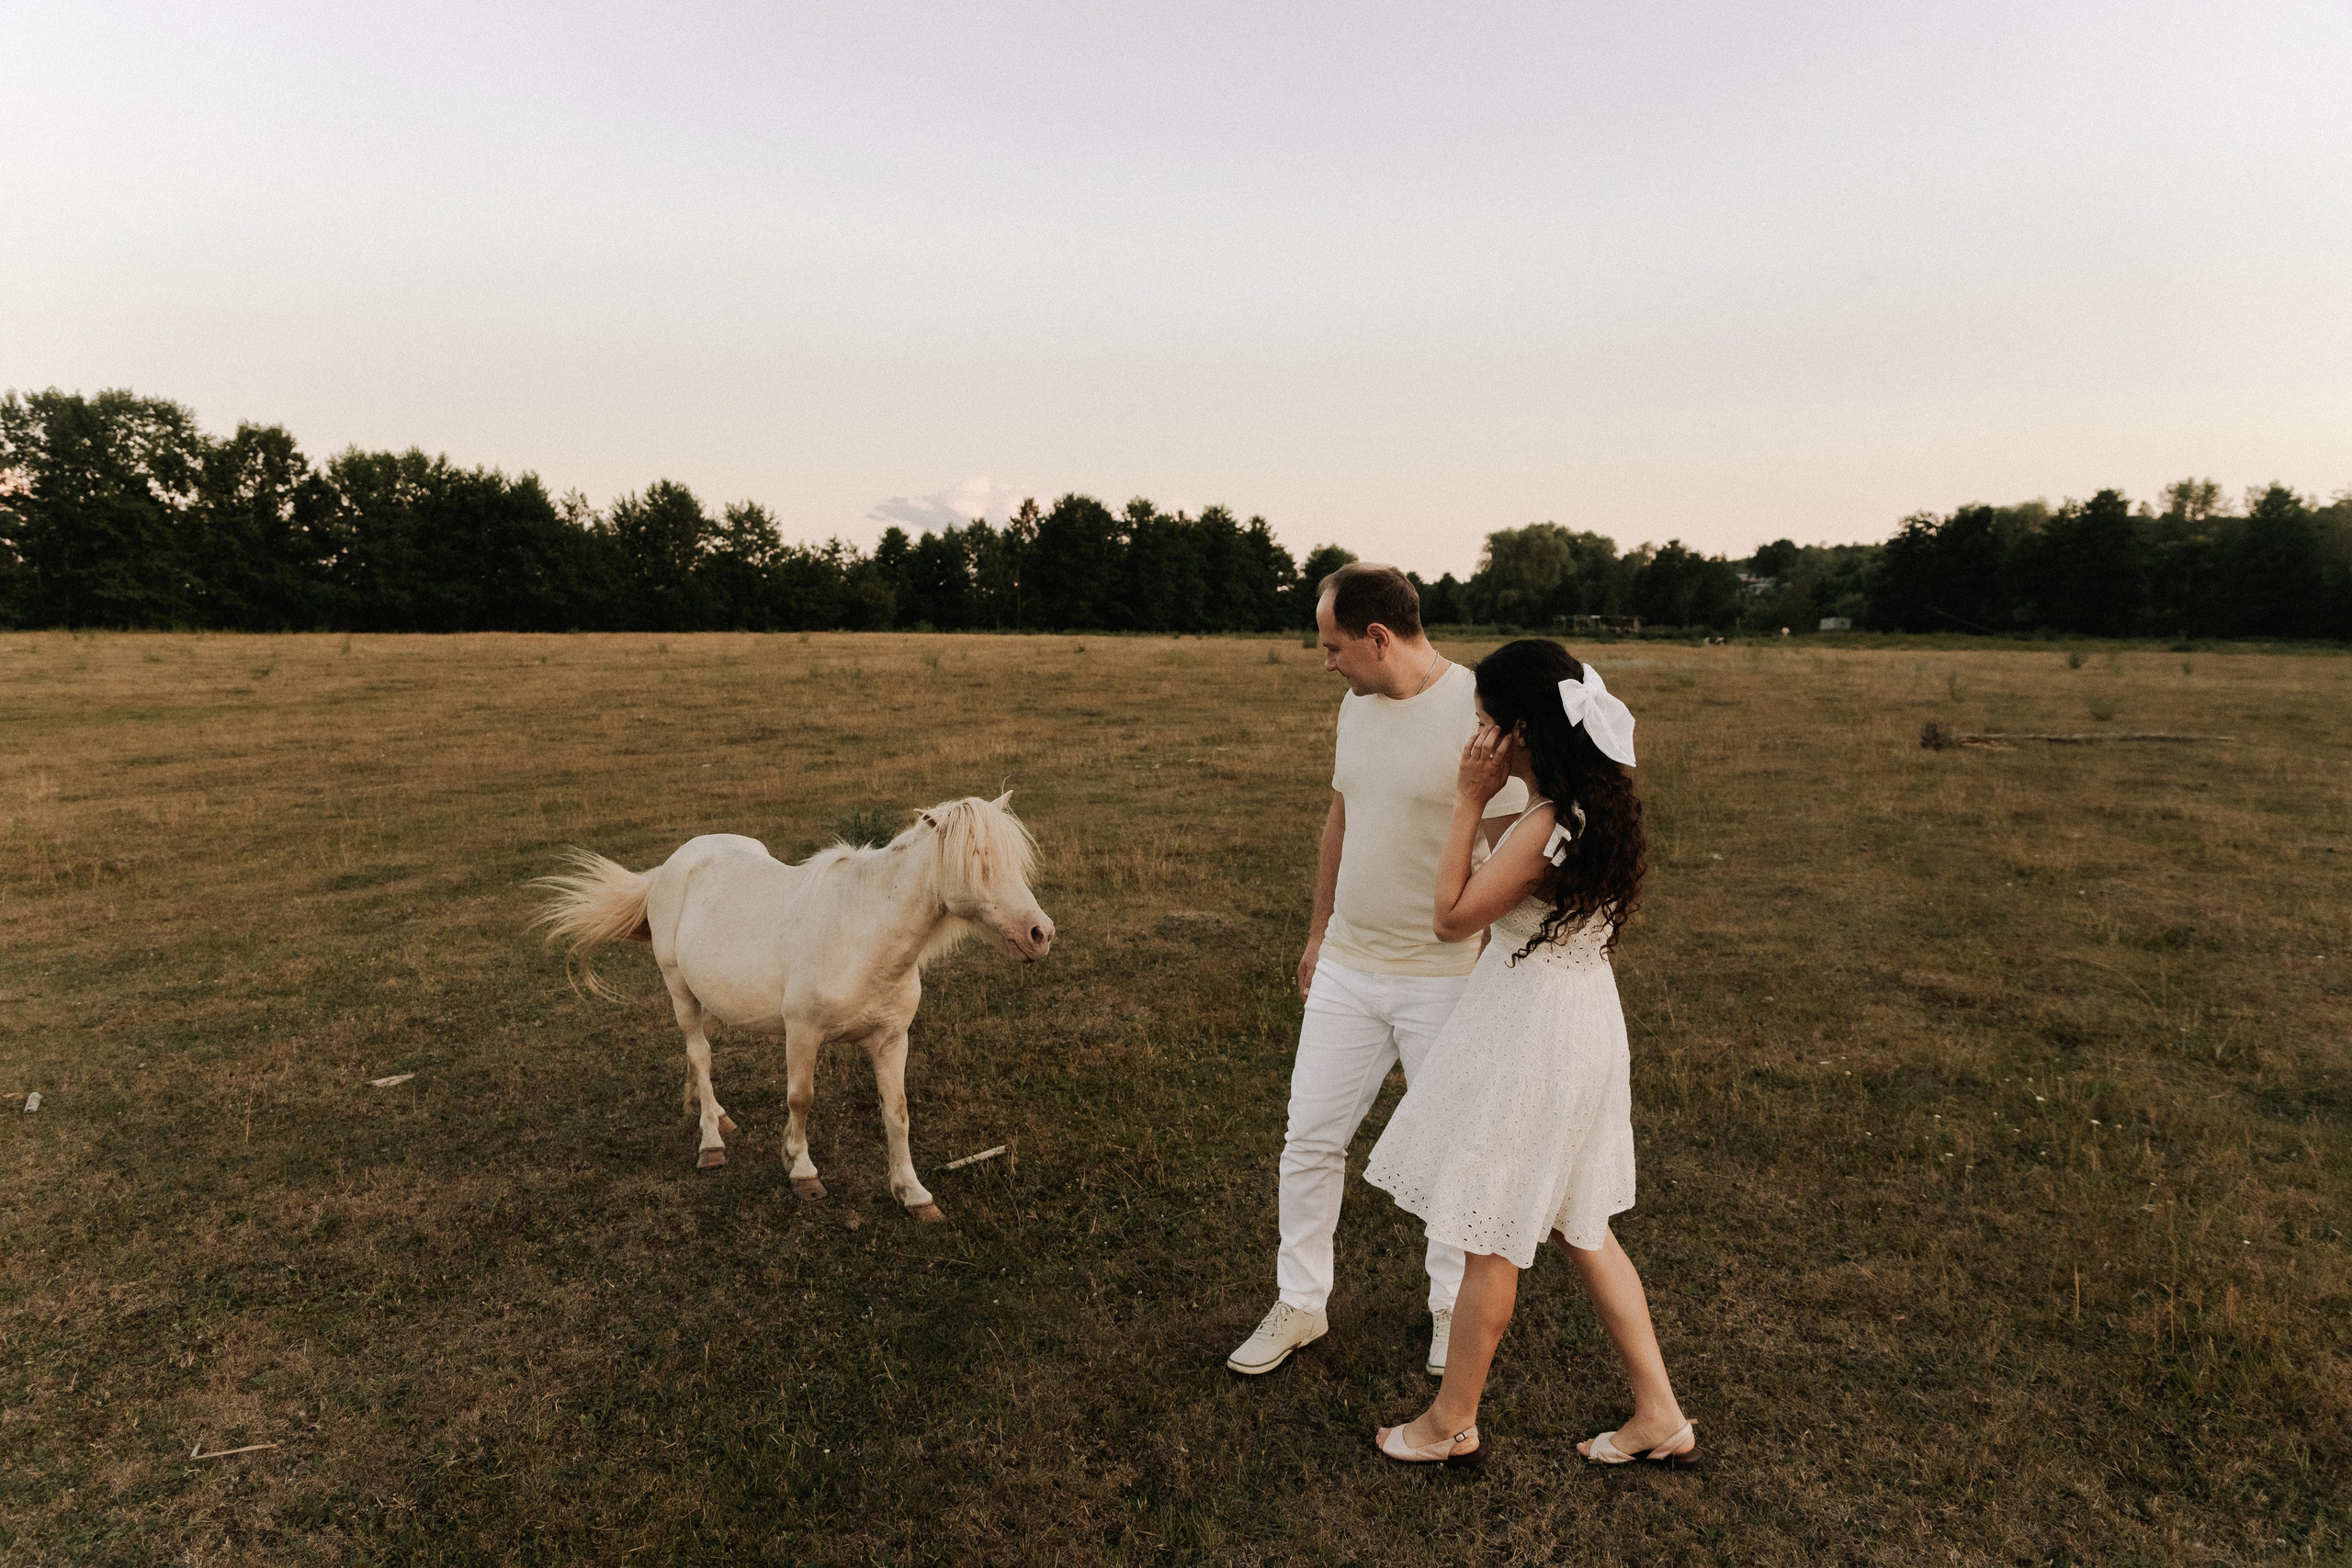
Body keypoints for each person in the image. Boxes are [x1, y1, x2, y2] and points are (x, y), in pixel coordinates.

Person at [1361, 637, 1698, 1468]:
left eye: (1483, 727)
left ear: (1519, 733)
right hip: (1582, 1020)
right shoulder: (1586, 809)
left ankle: (1451, 1421)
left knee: (1491, 1230)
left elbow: (1451, 916)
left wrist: (1470, 800)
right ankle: (1660, 1411)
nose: (1474, 742)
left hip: (1534, 1036)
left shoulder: (1547, 825)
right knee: (1584, 1227)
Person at [1227, 564, 1526, 1379]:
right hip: (1350, 968)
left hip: (1446, 975)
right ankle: (1301, 1303)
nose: (1325, 662)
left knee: (1449, 1153)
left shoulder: (1477, 711)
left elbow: (1515, 850)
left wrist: (1495, 962)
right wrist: (1319, 931)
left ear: (1378, 638)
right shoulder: (1354, 709)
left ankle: (1446, 1306)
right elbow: (1342, 817)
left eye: (1333, 647)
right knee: (1309, 1138)